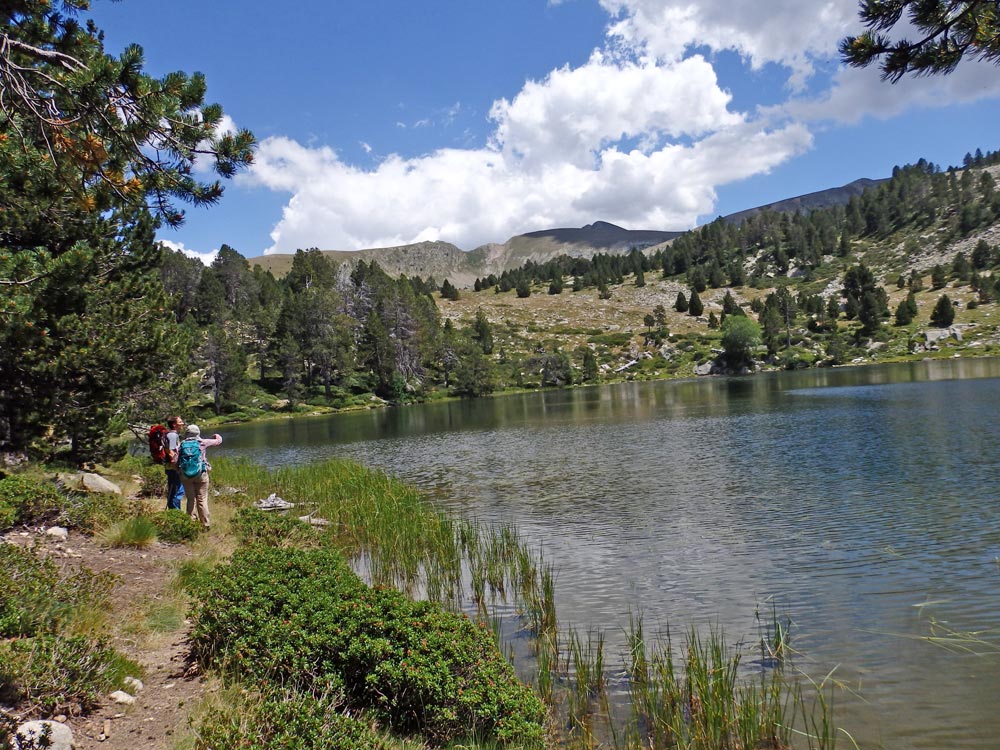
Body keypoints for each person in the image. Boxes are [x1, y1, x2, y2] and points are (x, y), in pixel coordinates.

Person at [178, 424, 223, 530]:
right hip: (201, 474)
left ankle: (190, 522)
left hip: (185, 476)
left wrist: (179, 470)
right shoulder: (202, 442)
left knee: (190, 499)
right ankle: (205, 524)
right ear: (198, 433)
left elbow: (176, 459)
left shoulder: (181, 445)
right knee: (202, 499)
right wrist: (215, 435)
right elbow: (219, 441)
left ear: (186, 434)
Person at [163, 416, 186, 511]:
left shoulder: (170, 434)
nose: (182, 423)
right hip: (173, 467)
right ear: (174, 424)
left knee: (173, 491)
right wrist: (176, 465)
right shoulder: (173, 435)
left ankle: (173, 511)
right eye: (180, 422)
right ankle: (176, 513)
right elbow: (170, 451)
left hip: (170, 467)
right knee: (177, 491)